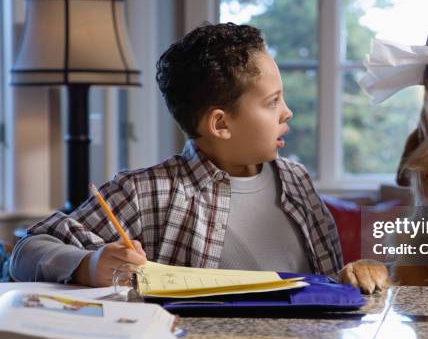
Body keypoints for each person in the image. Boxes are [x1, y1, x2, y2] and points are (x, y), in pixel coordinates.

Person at [10, 23, 389, 293]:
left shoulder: (297, 181)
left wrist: (353, 274)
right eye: (272, 102)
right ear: (220, 124)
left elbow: (325, 289)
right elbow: (27, 250)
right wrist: (90, 265)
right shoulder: (144, 192)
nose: (287, 112)